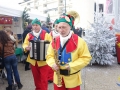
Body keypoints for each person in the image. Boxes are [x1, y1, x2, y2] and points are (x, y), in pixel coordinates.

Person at [46, 14, 92, 90]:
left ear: (70, 27)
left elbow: (86, 58)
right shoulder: (54, 41)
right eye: (59, 27)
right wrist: (52, 64)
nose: (61, 30)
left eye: (64, 27)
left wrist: (72, 66)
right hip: (58, 77)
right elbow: (49, 56)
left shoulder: (80, 41)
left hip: (73, 79)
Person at [22, 18, 51, 90]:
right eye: (33, 25)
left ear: (40, 26)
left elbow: (52, 45)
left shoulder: (46, 34)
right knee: (36, 78)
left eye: (37, 25)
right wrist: (26, 47)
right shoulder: (29, 35)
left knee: (44, 79)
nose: (35, 27)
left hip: (44, 61)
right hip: (33, 61)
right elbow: (25, 44)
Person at [48, 19, 60, 83]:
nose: (56, 27)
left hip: (60, 50)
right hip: (53, 49)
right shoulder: (52, 33)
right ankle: (50, 78)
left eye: (58, 25)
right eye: (56, 25)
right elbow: (48, 40)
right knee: (52, 64)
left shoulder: (62, 32)